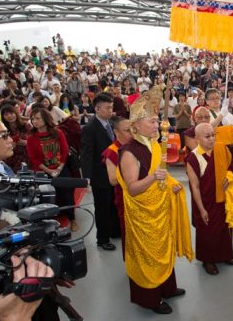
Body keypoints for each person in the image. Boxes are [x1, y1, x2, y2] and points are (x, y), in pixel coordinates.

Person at [117, 86, 193, 314]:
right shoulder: (129, 152)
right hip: (143, 214)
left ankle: (167, 287)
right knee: (148, 254)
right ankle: (149, 299)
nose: (157, 124)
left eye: (156, 120)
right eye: (152, 121)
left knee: (164, 246)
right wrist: (153, 177)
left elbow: (163, 174)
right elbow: (132, 189)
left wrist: (171, 183)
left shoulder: (153, 144)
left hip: (160, 207)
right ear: (136, 125)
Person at [185, 123, 233, 276]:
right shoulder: (192, 158)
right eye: (207, 136)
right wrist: (201, 209)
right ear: (196, 139)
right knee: (207, 231)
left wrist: (229, 178)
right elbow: (194, 186)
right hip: (205, 201)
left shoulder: (221, 148)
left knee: (224, 229)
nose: (212, 139)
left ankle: (225, 255)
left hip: (223, 198)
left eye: (213, 135)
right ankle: (208, 260)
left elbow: (230, 167)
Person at [80, 93, 120, 251]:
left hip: (112, 173)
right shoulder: (90, 128)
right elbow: (86, 154)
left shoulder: (110, 123)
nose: (111, 110)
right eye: (108, 108)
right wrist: (87, 178)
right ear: (97, 109)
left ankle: (114, 231)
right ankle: (102, 239)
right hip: (99, 174)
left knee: (113, 204)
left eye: (112, 107)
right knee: (102, 208)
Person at [102, 116, 133, 258]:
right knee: (129, 233)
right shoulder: (112, 151)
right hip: (125, 197)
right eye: (127, 130)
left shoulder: (135, 146)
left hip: (140, 197)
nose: (131, 133)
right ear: (116, 132)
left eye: (133, 129)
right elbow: (113, 180)